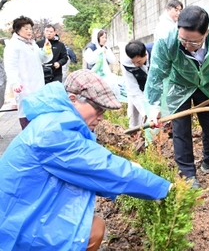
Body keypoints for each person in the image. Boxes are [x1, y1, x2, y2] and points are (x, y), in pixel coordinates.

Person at [0, 69, 172, 251]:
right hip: (16, 226)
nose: (101, 117)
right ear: (73, 99)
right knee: (91, 231)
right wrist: (163, 188)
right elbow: (104, 168)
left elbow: (89, 165)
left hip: (21, 209)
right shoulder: (53, 131)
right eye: (98, 109)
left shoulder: (54, 119)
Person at [144, 5, 209, 189]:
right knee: (181, 129)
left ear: (206, 32)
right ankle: (187, 174)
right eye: (183, 39)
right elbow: (157, 74)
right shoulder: (167, 41)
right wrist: (154, 106)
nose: (186, 45)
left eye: (193, 43)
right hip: (180, 84)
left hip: (206, 84)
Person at [3, 15, 53, 129]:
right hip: (23, 86)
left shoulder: (32, 44)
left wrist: (46, 50)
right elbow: (11, 65)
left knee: (39, 113)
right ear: (17, 29)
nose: (29, 31)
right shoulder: (13, 45)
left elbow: (43, 59)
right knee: (26, 113)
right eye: (26, 28)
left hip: (37, 84)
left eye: (30, 28)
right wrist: (15, 82)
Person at [120, 40, 153, 127]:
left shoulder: (155, 53)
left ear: (145, 55)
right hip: (137, 87)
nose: (136, 65)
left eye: (138, 62)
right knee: (134, 115)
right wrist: (145, 112)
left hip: (155, 86)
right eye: (133, 62)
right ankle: (135, 133)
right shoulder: (126, 63)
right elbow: (133, 88)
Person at [83, 29, 120, 97]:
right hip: (93, 74)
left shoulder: (106, 48)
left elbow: (112, 60)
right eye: (102, 37)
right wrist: (99, 52)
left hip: (104, 74)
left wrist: (105, 53)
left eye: (105, 37)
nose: (104, 39)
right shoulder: (91, 48)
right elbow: (89, 60)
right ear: (97, 38)